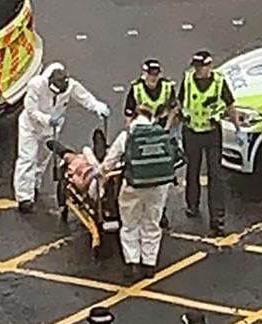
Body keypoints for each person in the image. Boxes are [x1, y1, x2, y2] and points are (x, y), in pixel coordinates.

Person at [13, 62, 110, 213]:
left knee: (42, 159)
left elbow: (84, 98)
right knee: (27, 159)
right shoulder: (35, 85)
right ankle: (24, 197)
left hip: (51, 129)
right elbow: (31, 111)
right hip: (31, 128)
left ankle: (34, 185)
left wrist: (97, 107)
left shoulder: (71, 86)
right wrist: (47, 119)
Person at [101, 104, 175, 279]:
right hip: (158, 186)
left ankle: (132, 262)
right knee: (152, 223)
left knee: (129, 223)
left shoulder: (127, 135)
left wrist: (104, 172)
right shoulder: (160, 133)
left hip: (134, 186)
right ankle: (149, 264)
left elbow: (109, 162)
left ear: (134, 116)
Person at [177, 51, 245, 236]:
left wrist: (238, 128)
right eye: (196, 67)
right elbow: (180, 103)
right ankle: (192, 205)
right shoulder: (188, 80)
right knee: (193, 171)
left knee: (216, 174)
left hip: (212, 132)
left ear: (209, 66)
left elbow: (230, 105)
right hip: (191, 131)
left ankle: (218, 219)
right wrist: (175, 127)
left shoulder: (219, 82)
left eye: (201, 67)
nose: (197, 70)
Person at [124, 59, 178, 229]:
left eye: (155, 75)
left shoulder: (168, 87)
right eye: (150, 75)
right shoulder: (136, 88)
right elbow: (129, 114)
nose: (153, 79)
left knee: (162, 173)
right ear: (144, 74)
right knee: (143, 171)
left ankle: (161, 212)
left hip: (161, 132)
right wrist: (131, 134)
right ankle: (140, 209)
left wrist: (166, 130)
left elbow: (173, 109)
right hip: (141, 133)